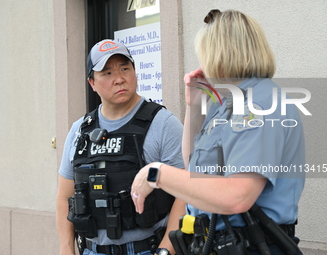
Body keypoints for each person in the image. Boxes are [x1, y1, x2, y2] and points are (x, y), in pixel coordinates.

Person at [131, 9, 305, 255]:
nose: (202, 64)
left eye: (205, 54)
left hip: (251, 245)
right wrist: (195, 108)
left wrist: (156, 173)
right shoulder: (226, 103)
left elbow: (238, 196)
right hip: (213, 243)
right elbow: (193, 166)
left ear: (222, 53)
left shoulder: (260, 103)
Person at [56, 39, 185, 255]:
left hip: (147, 249)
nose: (119, 79)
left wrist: (165, 251)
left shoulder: (163, 123)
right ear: (92, 83)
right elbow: (63, 197)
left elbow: (186, 193)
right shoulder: (79, 130)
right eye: (107, 73)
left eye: (125, 68)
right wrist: (66, 248)